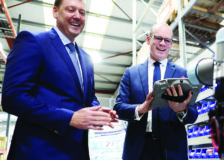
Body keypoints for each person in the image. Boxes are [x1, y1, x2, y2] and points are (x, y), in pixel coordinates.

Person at [1, 0, 118, 159]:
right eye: (71, 10)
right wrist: (69, 118)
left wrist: (96, 111)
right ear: (55, 12)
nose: (77, 16)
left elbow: (88, 97)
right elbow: (12, 98)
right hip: (39, 151)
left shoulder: (85, 58)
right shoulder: (34, 41)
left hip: (76, 151)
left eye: (82, 13)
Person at [114, 23, 198, 160]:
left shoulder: (182, 74)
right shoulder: (131, 73)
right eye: (158, 38)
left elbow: (193, 114)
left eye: (167, 40)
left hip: (173, 149)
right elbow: (118, 109)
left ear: (171, 44)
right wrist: (141, 108)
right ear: (148, 40)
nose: (163, 43)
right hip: (138, 149)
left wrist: (181, 110)